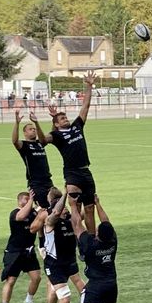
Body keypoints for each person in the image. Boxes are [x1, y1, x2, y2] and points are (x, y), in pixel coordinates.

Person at [31, 70, 98, 233]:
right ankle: (80, 238)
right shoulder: (57, 135)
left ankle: (92, 239)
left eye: (65, 117)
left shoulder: (76, 126)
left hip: (85, 171)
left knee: (90, 208)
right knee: (75, 208)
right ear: (57, 124)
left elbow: (85, 106)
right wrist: (37, 123)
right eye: (62, 119)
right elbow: (42, 141)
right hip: (72, 173)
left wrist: (89, 86)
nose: (66, 118)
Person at [67, 195, 126, 303]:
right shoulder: (112, 242)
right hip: (111, 283)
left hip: (95, 285)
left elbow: (77, 225)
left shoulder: (90, 245)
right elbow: (107, 223)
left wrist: (73, 206)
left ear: (98, 234)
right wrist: (98, 204)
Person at [30, 187, 84, 303]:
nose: (65, 210)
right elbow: (53, 215)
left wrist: (82, 196)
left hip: (69, 262)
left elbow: (81, 213)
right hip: (55, 265)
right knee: (65, 299)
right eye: (63, 208)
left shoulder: (69, 221)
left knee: (55, 291)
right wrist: (66, 194)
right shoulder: (50, 223)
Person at [0, 191, 42, 303]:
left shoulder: (34, 213)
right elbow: (20, 216)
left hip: (28, 251)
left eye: (30, 198)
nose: (29, 200)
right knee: (11, 281)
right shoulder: (15, 213)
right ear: (19, 201)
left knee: (37, 278)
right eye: (26, 198)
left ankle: (29, 300)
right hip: (14, 252)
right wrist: (32, 201)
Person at [12, 109, 53, 209]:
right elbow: (14, 141)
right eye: (30, 129)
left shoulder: (40, 143)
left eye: (34, 129)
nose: (33, 130)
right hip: (36, 183)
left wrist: (36, 122)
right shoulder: (24, 146)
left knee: (54, 206)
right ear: (25, 133)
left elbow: (48, 136)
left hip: (48, 181)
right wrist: (17, 123)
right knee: (43, 208)